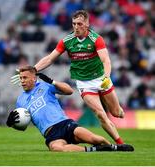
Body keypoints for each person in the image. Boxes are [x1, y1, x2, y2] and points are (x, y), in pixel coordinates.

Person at [11, 10, 125, 144]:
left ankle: (120, 112)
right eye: (74, 24)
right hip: (84, 83)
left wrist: (106, 77)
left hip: (101, 79)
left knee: (116, 113)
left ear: (87, 24)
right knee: (100, 114)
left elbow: (106, 60)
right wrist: (32, 70)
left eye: (80, 24)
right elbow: (50, 58)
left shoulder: (96, 39)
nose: (76, 27)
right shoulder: (67, 41)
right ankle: (120, 144)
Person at [7, 66, 134, 152]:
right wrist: (12, 123)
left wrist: (52, 81)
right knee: (57, 148)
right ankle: (95, 150)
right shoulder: (20, 100)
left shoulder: (45, 86)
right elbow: (23, 124)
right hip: (50, 133)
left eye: (25, 78)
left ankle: (115, 148)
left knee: (96, 139)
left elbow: (69, 91)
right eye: (21, 78)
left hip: (65, 124)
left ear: (34, 78)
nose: (22, 81)